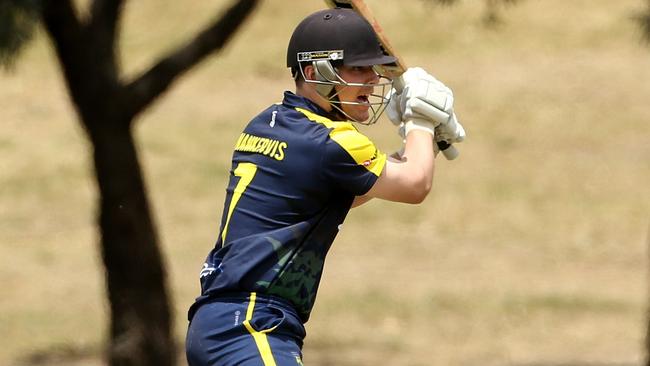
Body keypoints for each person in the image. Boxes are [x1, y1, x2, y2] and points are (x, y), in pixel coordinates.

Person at [185, 7, 465, 366]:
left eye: (373, 69)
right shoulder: (333, 140)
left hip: (217, 323)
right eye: (358, 69)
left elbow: (346, 191)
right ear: (314, 71)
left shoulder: (269, 124)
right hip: (253, 325)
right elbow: (414, 185)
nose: (373, 80)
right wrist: (421, 121)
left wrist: (423, 146)